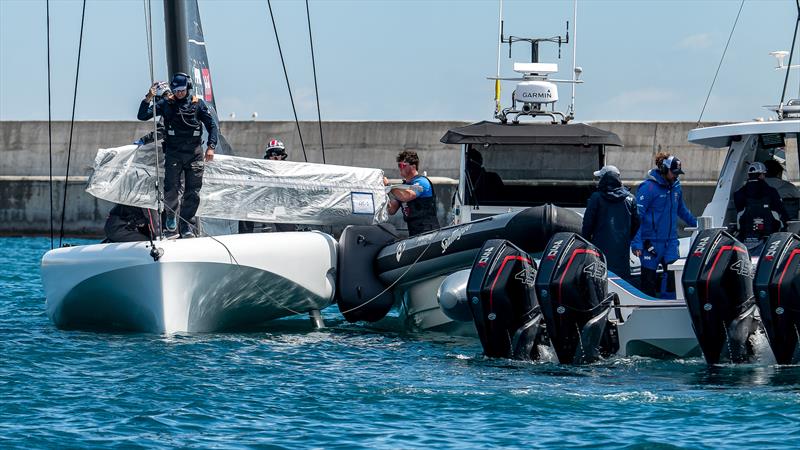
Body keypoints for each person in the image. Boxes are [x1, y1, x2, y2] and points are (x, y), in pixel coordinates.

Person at [137, 72, 218, 238]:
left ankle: (187, 226)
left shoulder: (198, 104)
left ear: (187, 87)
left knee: (192, 192)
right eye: (176, 90)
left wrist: (211, 147)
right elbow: (143, 115)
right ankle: (171, 221)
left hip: (194, 154)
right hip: (174, 154)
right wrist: (148, 98)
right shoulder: (166, 103)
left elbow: (212, 126)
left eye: (182, 89)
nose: (179, 93)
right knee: (171, 189)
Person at [632, 153, 697, 298]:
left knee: (674, 278)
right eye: (673, 173)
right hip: (651, 243)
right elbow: (637, 217)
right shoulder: (648, 188)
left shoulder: (676, 187)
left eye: (677, 173)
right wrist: (637, 243)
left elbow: (682, 210)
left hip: (671, 242)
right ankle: (646, 309)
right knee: (648, 279)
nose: (676, 176)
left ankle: (672, 305)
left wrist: (698, 225)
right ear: (663, 170)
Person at [581, 165, 640, 278]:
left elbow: (587, 224)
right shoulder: (630, 199)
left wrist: (587, 243)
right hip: (622, 250)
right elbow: (637, 223)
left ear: (604, 179)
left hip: (599, 250)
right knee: (622, 283)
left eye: (600, 178)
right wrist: (626, 238)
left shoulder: (596, 198)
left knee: (601, 283)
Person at [238, 139, 296, 234]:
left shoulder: (290, 170)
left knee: (287, 225)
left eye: (279, 153)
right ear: (268, 155)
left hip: (282, 206)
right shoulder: (260, 170)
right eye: (273, 153)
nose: (276, 156)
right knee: (245, 214)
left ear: (283, 155)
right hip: (264, 204)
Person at [733, 162, 791, 251]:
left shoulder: (738, 193)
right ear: (761, 175)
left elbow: (739, 209)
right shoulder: (771, 191)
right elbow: (781, 210)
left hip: (746, 234)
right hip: (769, 234)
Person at [385, 150, 440, 236]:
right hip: (414, 231)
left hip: (428, 230)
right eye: (399, 165)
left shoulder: (422, 182)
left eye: (402, 165)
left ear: (413, 166)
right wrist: (382, 192)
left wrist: (389, 186)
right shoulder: (403, 187)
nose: (400, 168)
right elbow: (391, 210)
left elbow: (407, 196)